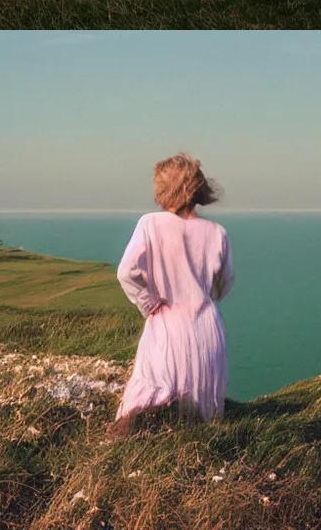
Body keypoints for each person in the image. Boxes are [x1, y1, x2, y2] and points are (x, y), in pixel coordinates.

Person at [112, 153, 233, 433]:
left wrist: (149, 303)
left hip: (167, 323)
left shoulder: (150, 224)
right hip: (207, 329)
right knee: (202, 416)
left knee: (148, 399)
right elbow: (224, 284)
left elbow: (125, 273)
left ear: (165, 191)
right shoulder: (217, 232)